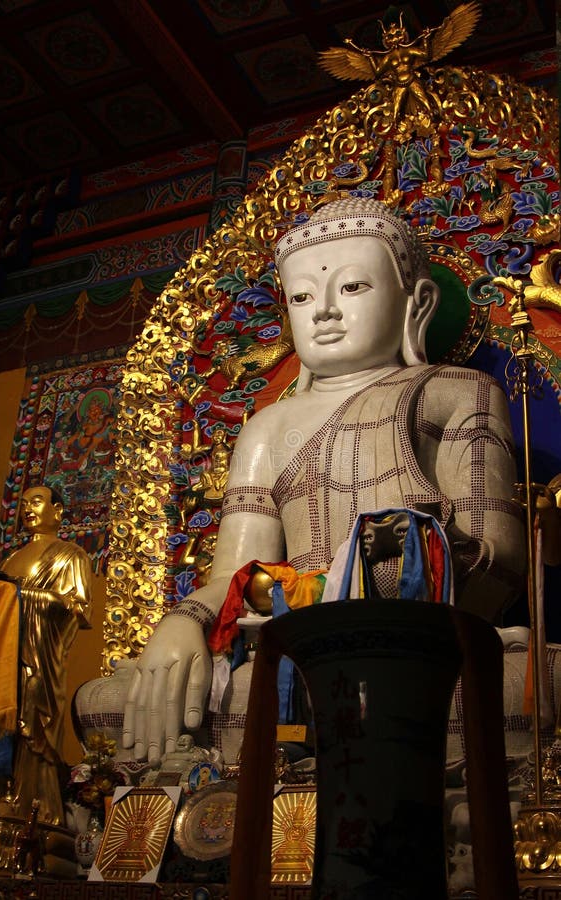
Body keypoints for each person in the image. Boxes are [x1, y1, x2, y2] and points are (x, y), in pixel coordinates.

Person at [122, 196, 525, 767]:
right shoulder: (266, 428)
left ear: (418, 302)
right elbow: (237, 579)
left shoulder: (460, 392)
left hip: (426, 645)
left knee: (531, 686)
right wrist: (185, 620)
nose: (324, 311)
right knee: (115, 702)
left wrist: (400, 560)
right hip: (293, 652)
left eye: (353, 288)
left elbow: (502, 560)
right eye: (303, 297)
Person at [0, 485, 92, 824]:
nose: (28, 508)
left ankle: (22, 801)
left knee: (27, 725)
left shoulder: (71, 555)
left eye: (37, 501)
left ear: (57, 511)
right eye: (23, 504)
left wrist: (21, 596)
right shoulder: (11, 559)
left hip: (37, 658)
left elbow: (78, 610)